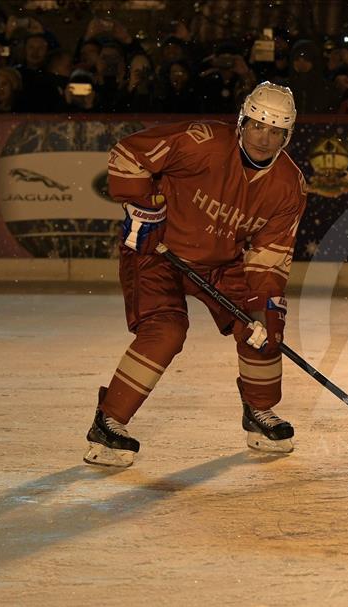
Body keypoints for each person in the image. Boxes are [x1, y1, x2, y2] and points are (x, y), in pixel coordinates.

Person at [84, 82, 307, 468]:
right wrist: (144, 207)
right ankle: (109, 422)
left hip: (221, 262)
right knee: (166, 331)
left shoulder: (289, 185)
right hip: (157, 253)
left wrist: (262, 303)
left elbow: (271, 255)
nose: (264, 138)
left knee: (265, 323)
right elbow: (129, 154)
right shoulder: (201, 141)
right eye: (257, 126)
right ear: (242, 121)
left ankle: (259, 412)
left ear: (287, 137)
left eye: (276, 131)